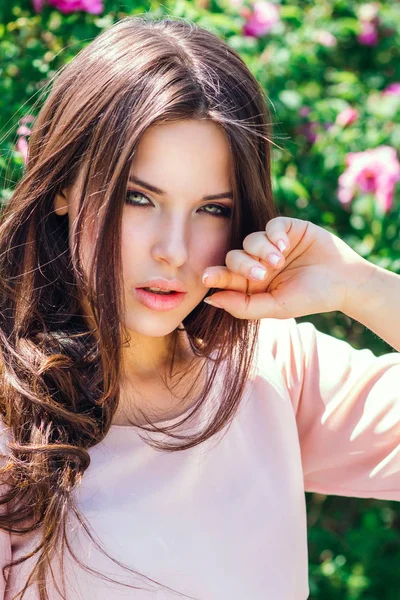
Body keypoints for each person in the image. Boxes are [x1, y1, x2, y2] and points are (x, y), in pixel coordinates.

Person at [0, 13, 399, 600]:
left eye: (212, 208)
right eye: (139, 198)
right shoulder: (13, 419)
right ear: (63, 185)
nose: (174, 251)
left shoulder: (270, 369)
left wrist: (361, 287)